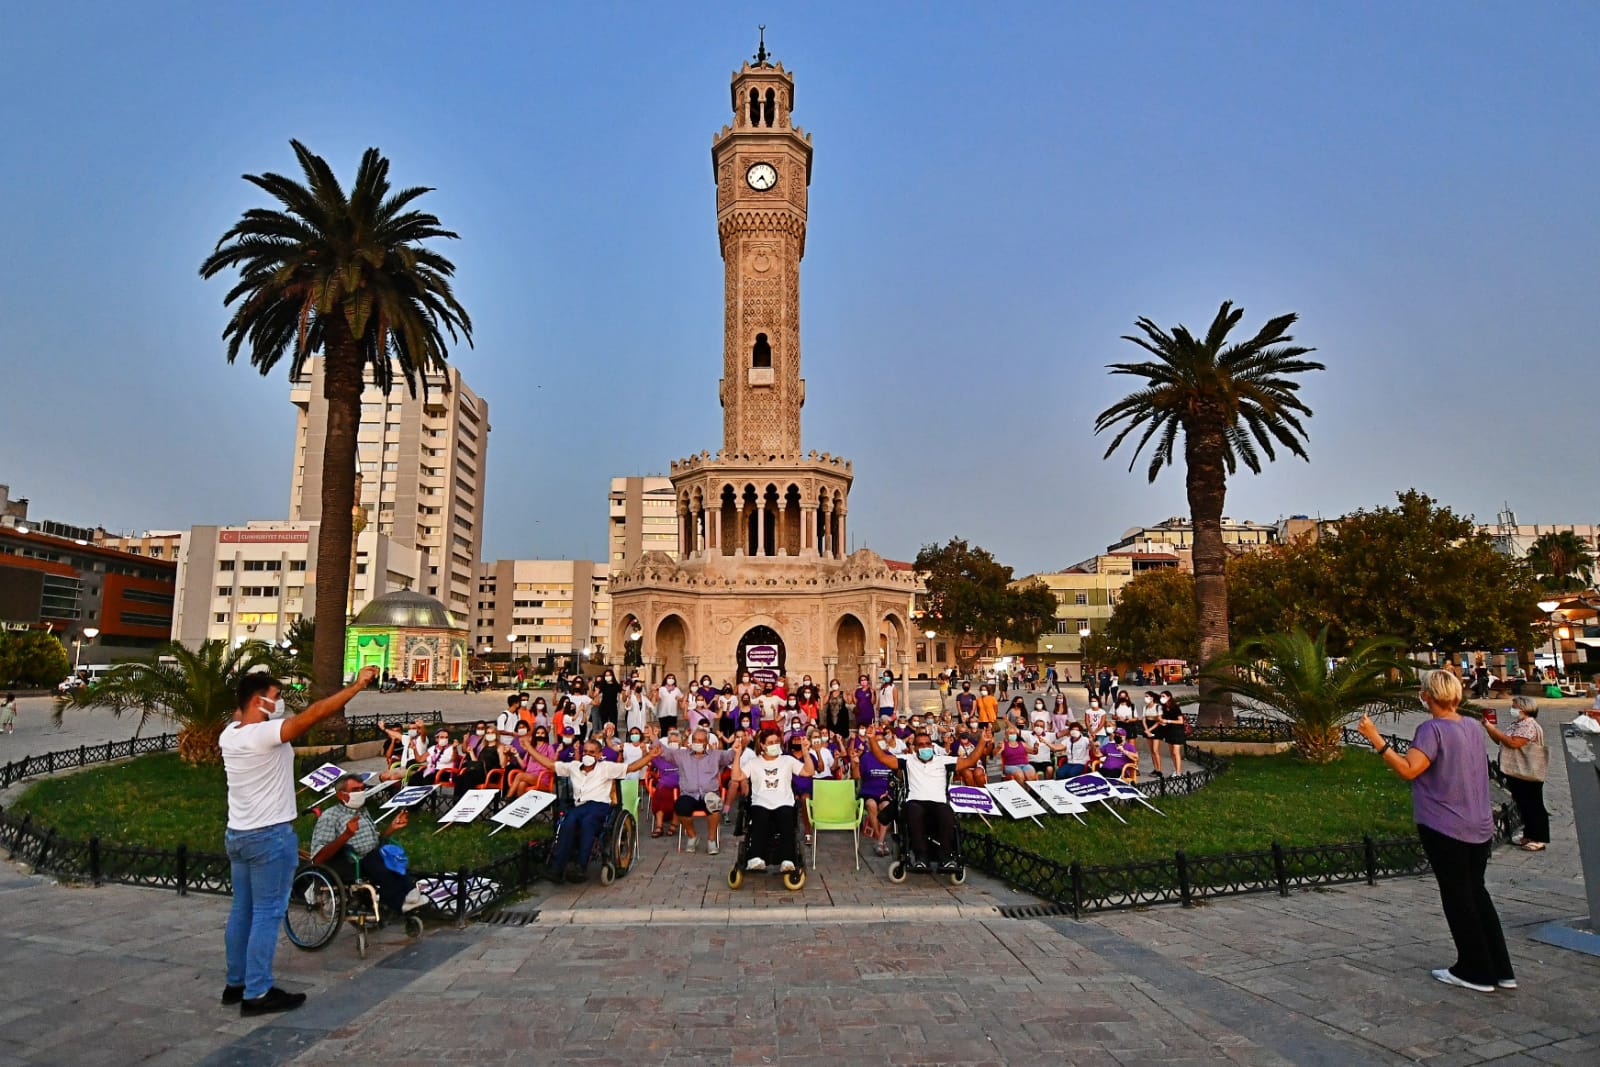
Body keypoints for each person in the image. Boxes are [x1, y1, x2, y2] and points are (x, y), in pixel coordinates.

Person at [220, 664, 377, 1016]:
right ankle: (257, 993)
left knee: (242, 909)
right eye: (275, 698)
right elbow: (315, 714)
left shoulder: (230, 734)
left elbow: (239, 712)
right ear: (259, 702)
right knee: (266, 913)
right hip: (269, 837)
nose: (280, 704)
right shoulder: (263, 735)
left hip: (238, 834)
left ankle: (236, 983)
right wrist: (356, 686)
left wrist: (250, 702)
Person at [1358, 669, 1513, 993]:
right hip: (1478, 823)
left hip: (1445, 824)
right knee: (1477, 892)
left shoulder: (1432, 730)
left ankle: (1474, 970)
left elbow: (1409, 769)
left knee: (1458, 896)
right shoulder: (1471, 726)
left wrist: (1375, 738)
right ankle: (1499, 967)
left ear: (1428, 695)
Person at [523, 736, 655, 882]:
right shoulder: (573, 767)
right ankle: (558, 868)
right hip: (580, 806)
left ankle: (581, 867)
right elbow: (550, 765)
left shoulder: (606, 768)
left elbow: (631, 767)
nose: (587, 755)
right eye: (585, 751)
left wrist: (650, 756)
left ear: (599, 755)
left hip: (599, 805)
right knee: (568, 821)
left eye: (592, 752)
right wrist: (529, 749)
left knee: (588, 821)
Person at [865, 723, 990, 871]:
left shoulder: (943, 760)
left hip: (938, 802)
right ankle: (921, 856)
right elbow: (883, 758)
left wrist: (982, 741)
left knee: (946, 813)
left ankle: (945, 857)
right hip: (915, 802)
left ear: (932, 746)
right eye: (921, 745)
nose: (925, 747)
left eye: (927, 744)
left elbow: (970, 761)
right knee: (913, 811)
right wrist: (872, 739)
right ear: (915, 748)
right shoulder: (908, 760)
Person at [309, 773, 425, 915]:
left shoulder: (362, 811)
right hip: (349, 862)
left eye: (362, 789)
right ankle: (400, 901)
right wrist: (346, 835)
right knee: (378, 862)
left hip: (372, 855)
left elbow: (374, 841)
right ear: (341, 795)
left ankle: (409, 893)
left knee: (391, 856)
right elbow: (318, 858)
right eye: (355, 790)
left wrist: (391, 828)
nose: (360, 793)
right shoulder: (330, 816)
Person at [732, 727, 815, 872]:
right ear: (763, 745)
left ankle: (788, 859)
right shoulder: (754, 763)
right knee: (759, 819)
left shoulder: (787, 760)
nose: (774, 745)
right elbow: (736, 777)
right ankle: (755, 858)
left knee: (786, 820)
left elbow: (808, 772)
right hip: (761, 803)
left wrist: (806, 752)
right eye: (770, 742)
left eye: (777, 741)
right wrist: (737, 754)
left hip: (784, 802)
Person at [1485, 696, 1549, 851]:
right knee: (1523, 803)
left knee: (1533, 804)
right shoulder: (1517, 724)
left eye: (1514, 706)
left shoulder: (1529, 725)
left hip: (1527, 771)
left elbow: (1514, 742)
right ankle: (1528, 834)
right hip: (1516, 771)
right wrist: (1489, 727)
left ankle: (1539, 837)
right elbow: (1501, 740)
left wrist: (1494, 729)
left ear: (1524, 708)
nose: (1512, 709)